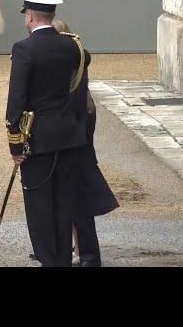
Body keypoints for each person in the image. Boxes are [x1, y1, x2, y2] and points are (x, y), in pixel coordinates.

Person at [5, 0, 87, 267]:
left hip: (37, 138)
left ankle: (50, 261)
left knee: (40, 208)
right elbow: (81, 67)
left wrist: (15, 145)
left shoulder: (24, 49)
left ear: (29, 16)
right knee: (64, 206)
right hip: (68, 135)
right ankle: (62, 260)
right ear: (52, 17)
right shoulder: (71, 46)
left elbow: (16, 101)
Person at [53, 20, 119, 267]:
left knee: (75, 200)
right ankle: (77, 250)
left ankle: (83, 253)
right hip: (80, 132)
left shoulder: (69, 61)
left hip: (74, 138)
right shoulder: (77, 56)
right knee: (73, 199)